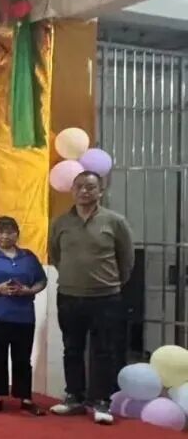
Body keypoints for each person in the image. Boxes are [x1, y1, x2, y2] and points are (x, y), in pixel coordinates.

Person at [49, 171, 134, 425]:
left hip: (105, 298)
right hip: (69, 296)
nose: (84, 191)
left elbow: (126, 260)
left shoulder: (115, 221)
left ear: (101, 191)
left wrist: (108, 283)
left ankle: (101, 401)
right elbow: (55, 255)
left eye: (90, 187)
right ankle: (74, 397)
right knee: (71, 348)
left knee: (103, 351)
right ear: (72, 191)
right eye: (79, 187)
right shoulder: (61, 222)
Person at [0, 216, 47, 415]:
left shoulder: (28, 257)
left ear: (17, 234)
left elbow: (42, 280)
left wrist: (29, 291)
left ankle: (25, 398)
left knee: (23, 359)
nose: (5, 236)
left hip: (23, 316)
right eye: (0, 232)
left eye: (10, 232)